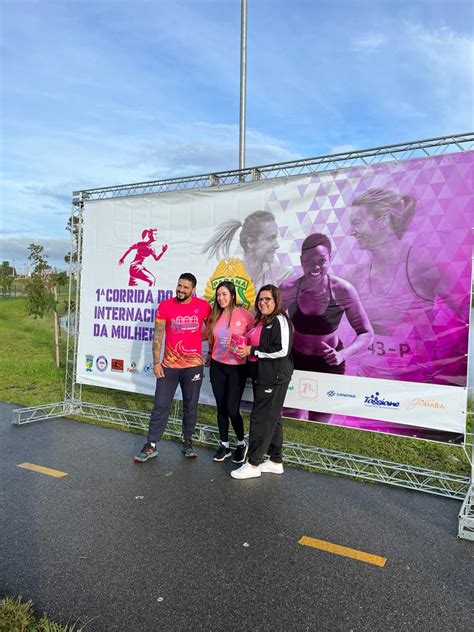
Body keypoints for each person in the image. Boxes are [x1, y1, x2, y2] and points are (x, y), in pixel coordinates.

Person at [348, 188, 468, 384]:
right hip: (366, 385)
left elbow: (464, 319)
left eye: (357, 223)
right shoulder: (354, 275)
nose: (352, 231)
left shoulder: (423, 264)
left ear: (384, 220)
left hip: (413, 390)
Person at [134, 273, 211, 462]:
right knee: (160, 405)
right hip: (168, 366)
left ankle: (188, 442)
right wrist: (156, 362)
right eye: (179, 286)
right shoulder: (165, 306)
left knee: (190, 406)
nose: (181, 290)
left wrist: (209, 350)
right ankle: (151, 445)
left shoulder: (203, 306)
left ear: (193, 289)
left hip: (193, 366)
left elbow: (212, 329)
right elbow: (158, 336)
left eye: (185, 287)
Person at [281, 233, 373, 374]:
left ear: (330, 259)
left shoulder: (343, 291)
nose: (316, 266)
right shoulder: (288, 289)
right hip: (294, 359)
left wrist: (342, 355)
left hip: (330, 363)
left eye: (322, 260)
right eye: (309, 260)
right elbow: (267, 323)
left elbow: (366, 333)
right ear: (301, 260)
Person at [231, 285, 293, 479]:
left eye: (267, 299)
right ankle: (276, 460)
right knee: (273, 418)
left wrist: (253, 351)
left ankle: (253, 463)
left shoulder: (280, 320)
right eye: (260, 299)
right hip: (263, 375)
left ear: (276, 301)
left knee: (261, 419)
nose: (263, 302)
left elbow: (282, 350)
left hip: (274, 378)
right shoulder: (263, 320)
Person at [205, 281, 254, 463]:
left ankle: (241, 444)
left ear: (233, 295)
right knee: (221, 408)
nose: (221, 298)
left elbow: (254, 338)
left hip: (237, 368)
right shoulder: (215, 315)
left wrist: (248, 349)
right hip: (218, 366)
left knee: (233, 409)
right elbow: (211, 338)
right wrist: (210, 353)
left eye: (224, 294)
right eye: (218, 295)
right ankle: (224, 445)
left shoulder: (246, 315)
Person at [201, 210, 292, 302]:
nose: (277, 245)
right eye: (270, 238)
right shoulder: (227, 275)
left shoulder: (281, 275)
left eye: (275, 238)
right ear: (251, 242)